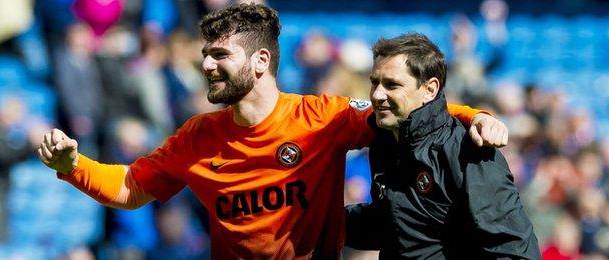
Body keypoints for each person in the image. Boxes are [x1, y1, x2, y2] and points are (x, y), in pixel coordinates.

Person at [37, 3, 508, 258]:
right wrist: (73, 166)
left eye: (221, 55)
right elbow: (130, 188)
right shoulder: (197, 137)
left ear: (261, 62)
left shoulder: (322, 117)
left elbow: (407, 111)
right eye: (206, 54)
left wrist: (476, 116)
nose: (206, 64)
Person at [344, 33, 540, 259]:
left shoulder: (469, 151)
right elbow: (399, 223)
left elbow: (513, 250)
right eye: (374, 82)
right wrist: (315, 219)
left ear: (429, 89)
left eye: (391, 85)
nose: (377, 95)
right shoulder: (387, 142)